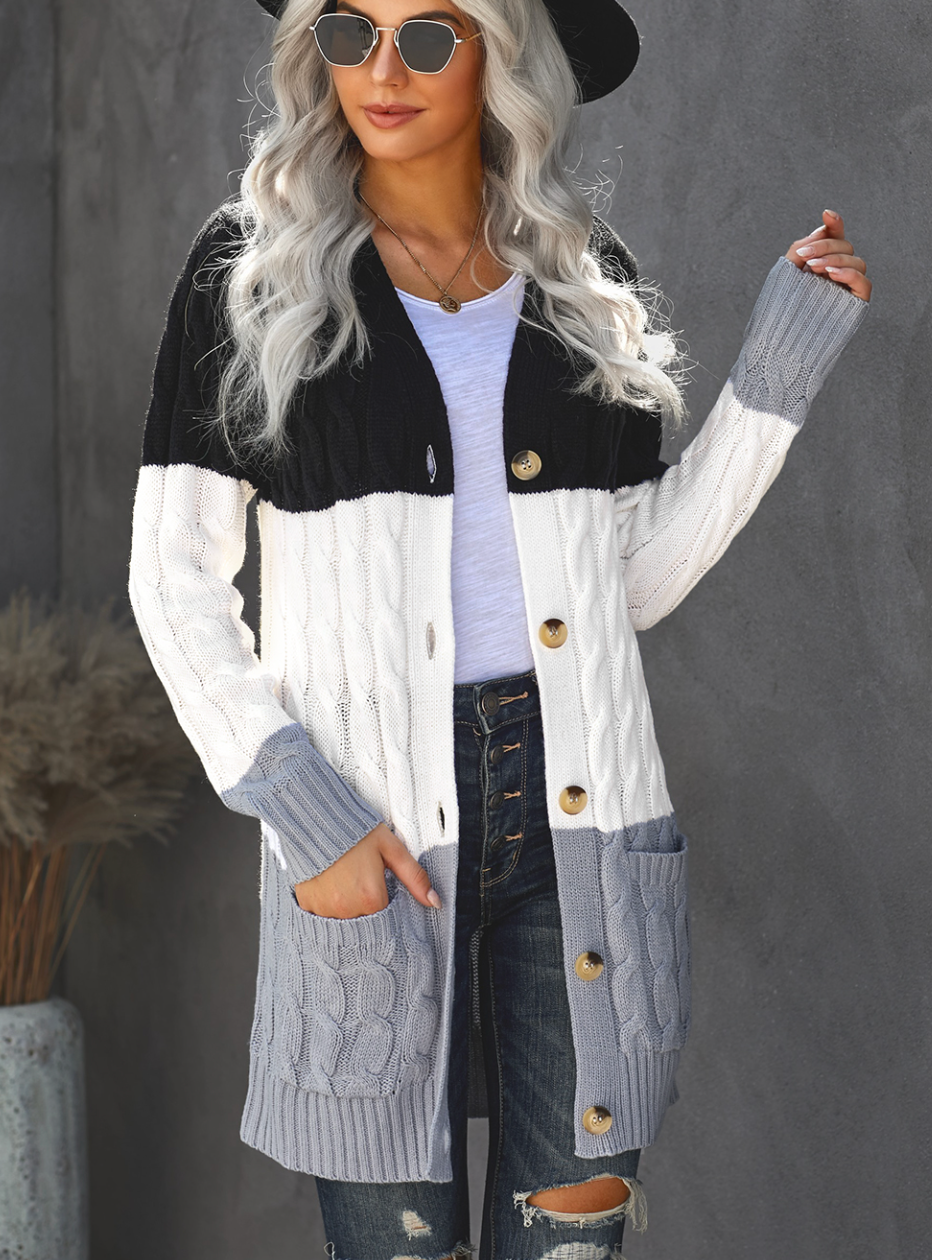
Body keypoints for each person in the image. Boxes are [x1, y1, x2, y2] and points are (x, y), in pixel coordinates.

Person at [127, 0, 871, 1255]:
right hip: (371, 819)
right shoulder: (249, 271)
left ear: (500, 53)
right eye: (351, 31)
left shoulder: (576, 272)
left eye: (428, 35)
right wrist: (309, 814)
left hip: (582, 819)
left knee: (569, 1235)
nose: (381, 69)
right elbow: (173, 581)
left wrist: (777, 371)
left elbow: (630, 583)